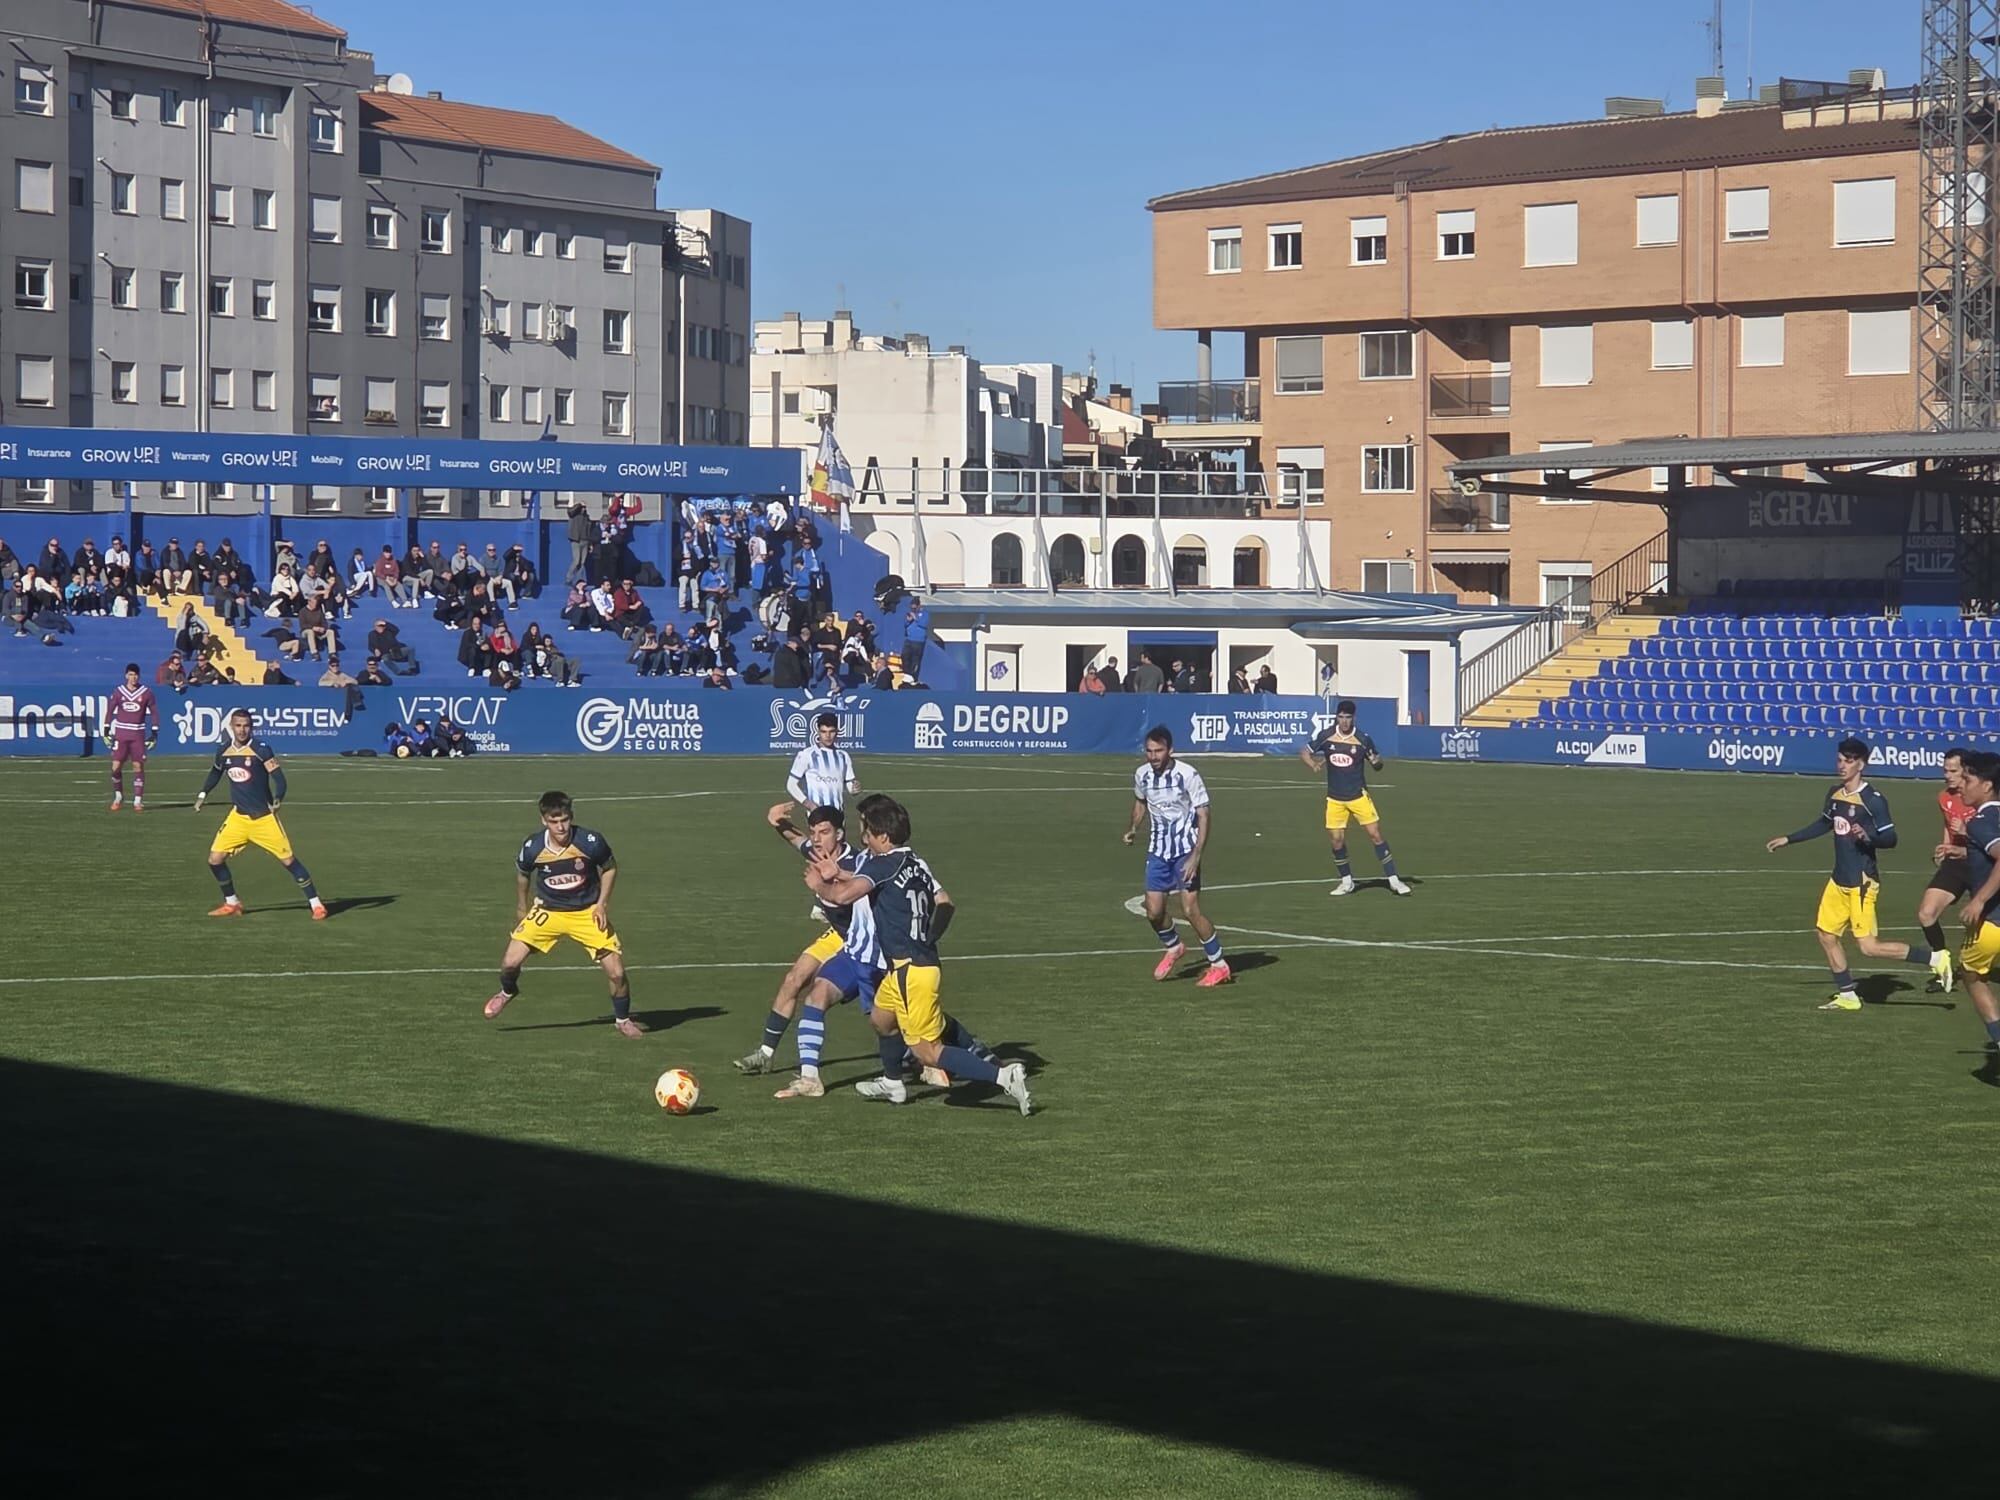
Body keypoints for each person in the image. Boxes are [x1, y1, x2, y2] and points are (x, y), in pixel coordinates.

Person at [804, 797, 1031, 1112]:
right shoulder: (914, 862)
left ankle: (1004, 1076)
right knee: (882, 1021)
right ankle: (893, 1082)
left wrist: (820, 885)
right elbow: (945, 902)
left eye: (866, 831)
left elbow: (843, 897)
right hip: (907, 968)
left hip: (911, 972)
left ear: (882, 836)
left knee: (927, 1051)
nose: (863, 837)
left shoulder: (880, 863)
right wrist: (930, 935)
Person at [1766, 737, 1954, 1009]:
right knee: (1826, 935)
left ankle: (1936, 959)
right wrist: (1789, 839)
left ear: (1861, 764)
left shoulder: (1873, 800)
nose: (1842, 766)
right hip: (1838, 879)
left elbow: (1891, 839)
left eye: (1849, 761)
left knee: (1869, 947)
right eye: (1840, 760)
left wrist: (1868, 837)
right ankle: (1847, 995)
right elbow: (1824, 823)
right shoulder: (1835, 793)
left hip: (1862, 882)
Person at [736, 803, 889, 1098]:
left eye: (825, 832)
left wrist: (825, 883)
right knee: (795, 978)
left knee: (891, 1011)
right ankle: (767, 1053)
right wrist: (775, 821)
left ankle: (927, 1052)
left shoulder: (856, 864)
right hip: (839, 935)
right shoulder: (816, 851)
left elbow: (857, 893)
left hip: (863, 941)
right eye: (814, 833)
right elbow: (795, 840)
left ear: (841, 834)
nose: (817, 839)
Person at [484, 791, 643, 1038]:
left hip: (586, 912)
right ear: (543, 820)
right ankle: (507, 991)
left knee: (617, 973)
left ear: (571, 817)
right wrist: (521, 907)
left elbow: (610, 868)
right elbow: (523, 875)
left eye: (565, 820)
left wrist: (602, 904)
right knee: (509, 963)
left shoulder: (590, 841)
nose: (561, 827)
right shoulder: (533, 846)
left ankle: (622, 1019)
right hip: (548, 911)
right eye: (554, 821)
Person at [194, 708, 327, 921]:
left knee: (289, 861)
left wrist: (278, 798)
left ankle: (317, 904)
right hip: (238, 817)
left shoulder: (261, 749)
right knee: (215, 859)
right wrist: (203, 794)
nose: (242, 730)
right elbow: (216, 771)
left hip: (263, 818)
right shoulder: (223, 750)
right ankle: (232, 903)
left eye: (246, 725)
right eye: (238, 725)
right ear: (231, 727)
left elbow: (279, 778)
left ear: (251, 727)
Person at [1125, 726, 1231, 986]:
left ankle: (1219, 966)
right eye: (1149, 751)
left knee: (1190, 910)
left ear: (1170, 750)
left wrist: (1196, 855)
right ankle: (1173, 947)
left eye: (1159, 750)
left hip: (1185, 851)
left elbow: (1204, 814)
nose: (1153, 756)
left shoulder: (1188, 775)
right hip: (1158, 851)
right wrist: (1133, 828)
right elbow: (1140, 802)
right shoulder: (1142, 775)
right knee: (1153, 912)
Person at [1302, 700, 1411, 897]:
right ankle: (1346, 882)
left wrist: (1378, 762)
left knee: (1375, 835)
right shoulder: (1326, 736)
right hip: (1335, 798)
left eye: (1348, 717)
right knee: (1336, 841)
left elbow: (1376, 763)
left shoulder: (1362, 739)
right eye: (1341, 717)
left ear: (1354, 718)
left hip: (1358, 796)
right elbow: (1305, 751)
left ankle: (1394, 880)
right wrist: (1313, 765)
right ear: (1337, 717)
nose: (1344, 721)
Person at [1947, 751, 2000, 1078]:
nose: (1961, 785)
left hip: (1992, 925)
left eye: (1967, 780)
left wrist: (1979, 900)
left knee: (1971, 974)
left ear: (1987, 785)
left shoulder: (1979, 821)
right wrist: (1963, 851)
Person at [1918, 747, 1977, 989]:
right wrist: (1944, 847)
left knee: (1980, 921)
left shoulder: (1984, 798)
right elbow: (1948, 826)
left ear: (1966, 771)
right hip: (1956, 862)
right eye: (1945, 770)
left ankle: (1967, 966)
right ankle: (1941, 963)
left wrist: (1967, 833)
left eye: (1953, 770)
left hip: (1983, 864)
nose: (1948, 775)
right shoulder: (1944, 797)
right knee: (1926, 913)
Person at [102, 663, 160, 813]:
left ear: (138, 676)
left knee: (138, 766)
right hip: (121, 733)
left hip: (137, 734)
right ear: (126, 675)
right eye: (130, 674)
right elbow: (109, 711)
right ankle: (118, 796)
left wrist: (154, 732)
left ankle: (138, 800)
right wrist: (106, 730)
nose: (133, 678)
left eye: (135, 675)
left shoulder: (146, 692)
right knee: (115, 768)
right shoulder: (119, 692)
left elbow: (154, 712)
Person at [902, 597, 931, 682]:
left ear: (919, 606)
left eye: (915, 607)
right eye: (912, 607)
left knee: (915, 659)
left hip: (918, 641)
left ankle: (914, 677)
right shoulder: (909, 613)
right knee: (904, 656)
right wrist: (908, 620)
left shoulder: (925, 613)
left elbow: (924, 624)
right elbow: (905, 624)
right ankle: (907, 674)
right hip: (908, 639)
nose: (913, 609)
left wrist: (916, 618)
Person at [566, 499, 594, 585]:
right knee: (576, 561)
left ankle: (578, 581)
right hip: (576, 540)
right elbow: (570, 511)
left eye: (585, 507)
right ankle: (568, 578)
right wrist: (579, 504)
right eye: (583, 507)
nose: (584, 509)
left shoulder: (587, 518)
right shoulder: (574, 515)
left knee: (582, 563)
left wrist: (590, 544)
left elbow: (589, 531)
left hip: (585, 541)